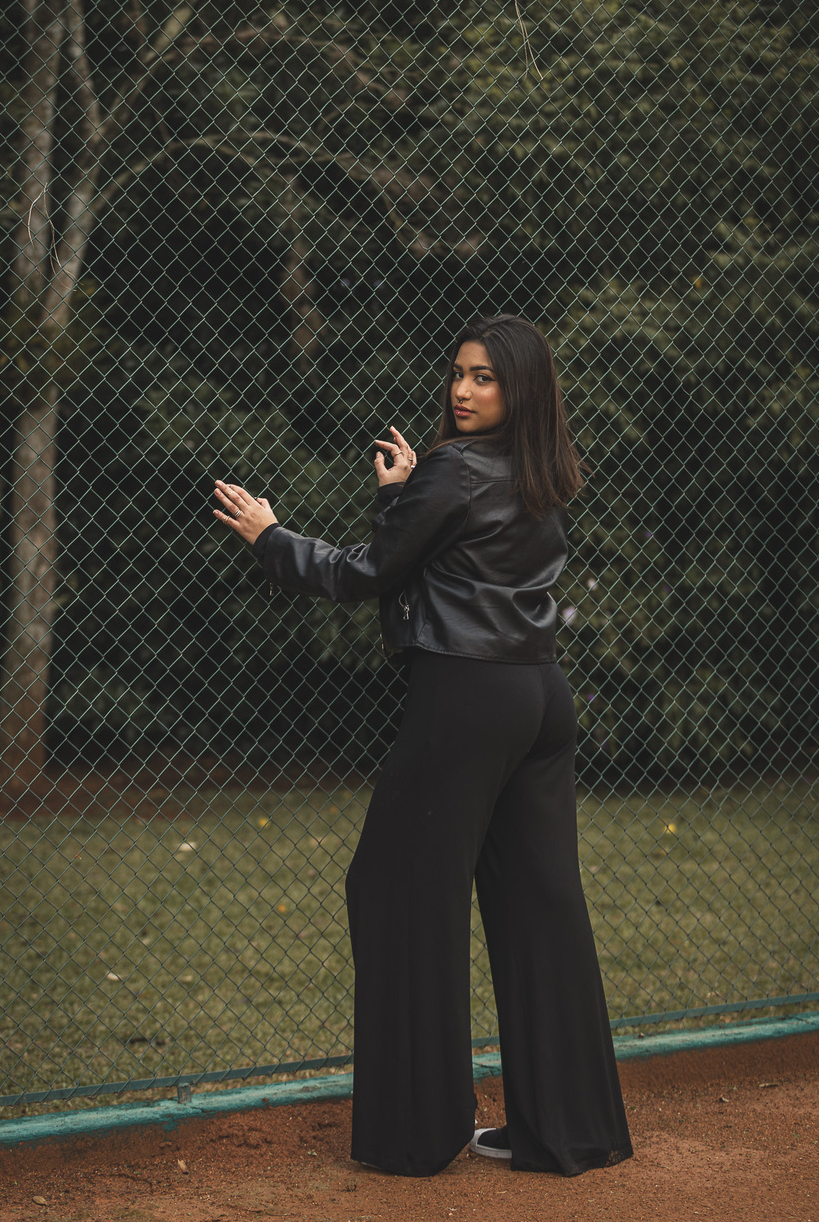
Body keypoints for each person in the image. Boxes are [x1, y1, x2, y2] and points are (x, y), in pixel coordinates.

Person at [213, 314, 632, 1178]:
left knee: (395, 892)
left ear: (519, 388)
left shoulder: (457, 467)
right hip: (540, 699)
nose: (462, 390)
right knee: (541, 907)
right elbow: (432, 560)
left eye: (484, 377)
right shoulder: (542, 469)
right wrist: (401, 493)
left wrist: (271, 538)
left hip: (466, 701)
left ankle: (417, 1132)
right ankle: (570, 1128)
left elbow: (367, 573)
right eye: (459, 373)